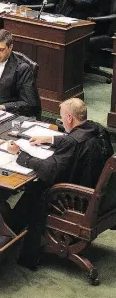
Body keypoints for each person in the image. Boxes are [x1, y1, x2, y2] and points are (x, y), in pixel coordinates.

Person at [7, 98, 113, 269]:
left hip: (75, 202)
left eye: (62, 116)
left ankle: (9, 230)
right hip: (100, 197)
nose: (62, 120)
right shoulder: (98, 129)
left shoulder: (72, 141)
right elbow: (77, 139)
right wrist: (50, 139)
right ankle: (10, 227)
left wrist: (21, 154)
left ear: (70, 118)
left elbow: (49, 171)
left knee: (36, 188)